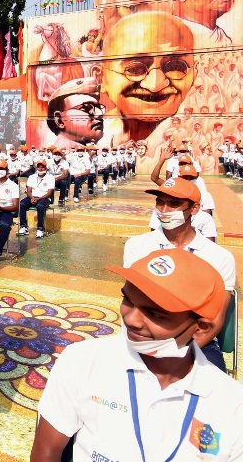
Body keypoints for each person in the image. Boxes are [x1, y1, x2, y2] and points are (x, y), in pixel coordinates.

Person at [31, 248, 243, 462]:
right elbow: (46, 452)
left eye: (154, 314)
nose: (131, 319)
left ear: (201, 328)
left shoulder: (231, 405)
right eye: (128, 300)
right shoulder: (83, 361)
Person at [123, 177, 235, 371]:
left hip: (197, 342)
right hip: (143, 338)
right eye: (160, 202)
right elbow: (132, 302)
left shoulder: (219, 257)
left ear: (194, 209)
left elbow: (215, 320)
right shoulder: (137, 246)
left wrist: (172, 355)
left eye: (174, 204)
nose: (164, 210)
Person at [100, 12, 195, 144]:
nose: (155, 85)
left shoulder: (193, 133)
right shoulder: (98, 138)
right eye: (135, 69)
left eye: (175, 67)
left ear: (194, 74)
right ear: (101, 77)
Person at [46, 77, 105, 146]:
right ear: (59, 120)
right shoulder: (58, 155)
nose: (99, 114)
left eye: (99, 108)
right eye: (86, 109)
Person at [18, 159, 55, 238]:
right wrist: (32, 198)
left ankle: (40, 229)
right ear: (36, 168)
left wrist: (38, 199)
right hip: (32, 196)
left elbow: (49, 193)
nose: (40, 169)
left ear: (46, 168)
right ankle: (24, 227)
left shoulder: (50, 178)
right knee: (21, 204)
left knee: (40, 206)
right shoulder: (31, 177)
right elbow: (28, 191)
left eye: (43, 167)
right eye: (39, 167)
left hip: (44, 198)